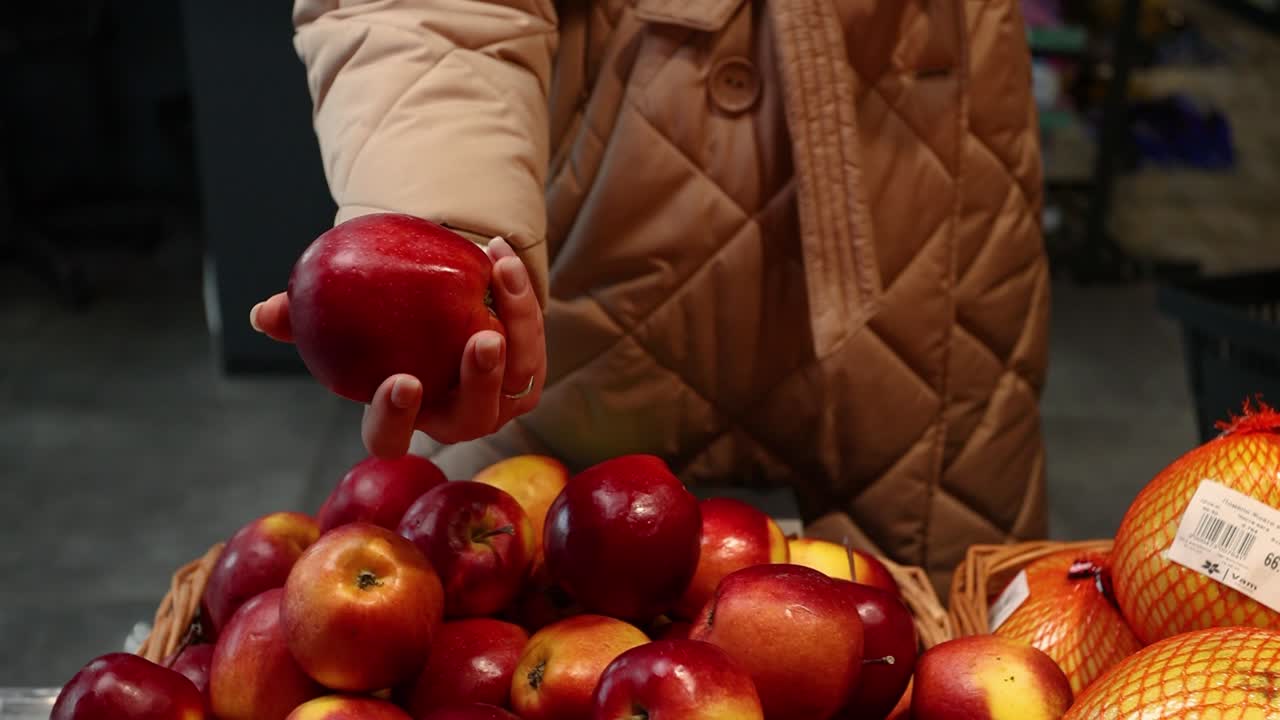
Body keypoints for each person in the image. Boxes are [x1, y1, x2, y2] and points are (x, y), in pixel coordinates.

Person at [251, 0, 1051, 592]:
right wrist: (437, 252)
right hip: (585, 247)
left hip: (921, 211)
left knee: (931, 622)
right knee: (529, 602)